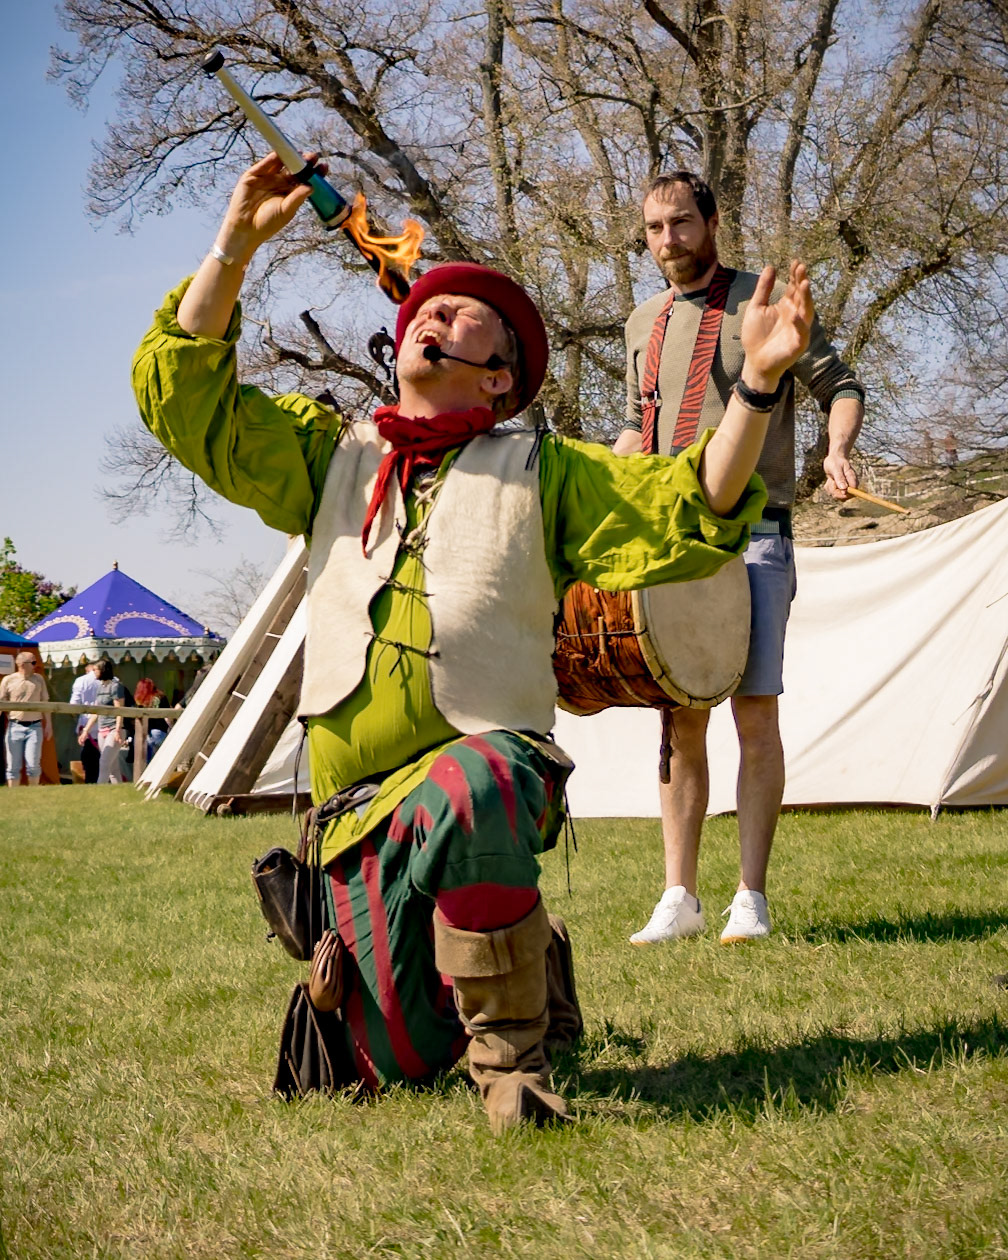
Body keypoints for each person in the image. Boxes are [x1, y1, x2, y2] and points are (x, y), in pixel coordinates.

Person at [132, 151, 816, 1133]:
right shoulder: (327, 457)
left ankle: (513, 1064)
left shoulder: (545, 471)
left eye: (468, 314)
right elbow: (187, 406)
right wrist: (231, 248)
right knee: (396, 1061)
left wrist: (752, 384)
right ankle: (527, 957)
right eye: (429, 307)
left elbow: (692, 505)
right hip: (360, 827)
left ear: (499, 381)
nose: (435, 312)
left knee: (483, 776)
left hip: (488, 783)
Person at [616, 171, 865, 946]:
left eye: (682, 224)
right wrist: (602, 488)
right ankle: (678, 897)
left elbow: (841, 384)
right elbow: (635, 428)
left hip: (756, 530)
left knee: (754, 713)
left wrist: (837, 448)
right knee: (677, 717)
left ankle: (748, 898)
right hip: (672, 535)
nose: (668, 241)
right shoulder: (641, 320)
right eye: (655, 228)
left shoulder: (761, 300)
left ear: (713, 222)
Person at [1, 651, 52, 786]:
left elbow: (45, 702)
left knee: (33, 764)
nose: (36, 665)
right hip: (14, 726)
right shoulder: (8, 680)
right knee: (12, 765)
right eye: (33, 662)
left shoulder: (39, 679)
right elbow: (1, 702)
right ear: (22, 664)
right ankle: (14, 795)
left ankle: (32, 795)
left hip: (35, 726)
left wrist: (49, 725)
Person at [79, 659, 127, 784]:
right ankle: (118, 793)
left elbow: (119, 710)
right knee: (112, 767)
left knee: (104, 761)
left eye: (95, 669)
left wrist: (118, 730)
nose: (93, 672)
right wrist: (85, 730)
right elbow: (96, 711)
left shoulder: (116, 686)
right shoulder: (100, 687)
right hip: (102, 730)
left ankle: (100, 789)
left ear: (103, 670)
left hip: (114, 729)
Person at [70, 659, 102, 783]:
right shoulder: (114, 680)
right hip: (107, 725)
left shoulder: (81, 681)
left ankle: (92, 783)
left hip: (87, 725)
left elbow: (74, 705)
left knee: (90, 762)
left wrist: (75, 717)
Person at [133, 677, 170, 761]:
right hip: (160, 732)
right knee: (160, 761)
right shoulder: (161, 696)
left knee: (145, 763)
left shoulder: (140, 700)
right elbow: (168, 717)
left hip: (144, 732)